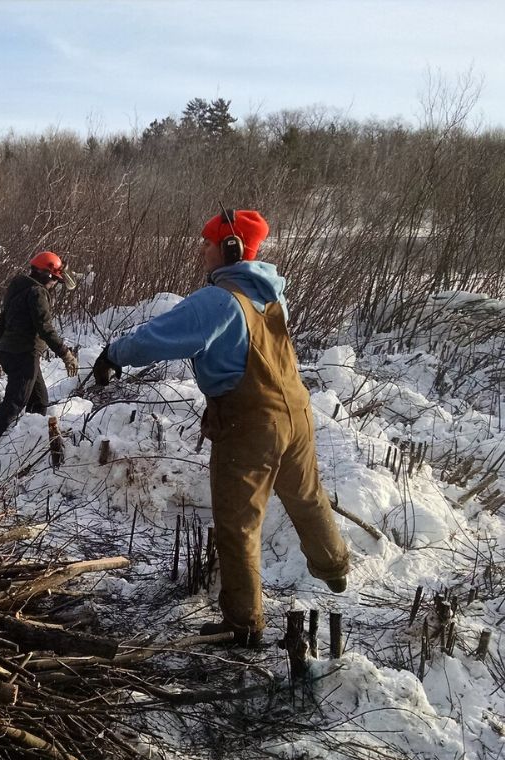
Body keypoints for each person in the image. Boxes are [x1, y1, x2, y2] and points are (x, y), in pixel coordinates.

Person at [92, 210, 350, 646]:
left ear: (229, 248)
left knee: (238, 523)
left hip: (251, 423)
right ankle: (334, 567)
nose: (201, 250)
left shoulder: (218, 301)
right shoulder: (271, 294)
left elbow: (159, 336)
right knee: (306, 496)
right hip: (297, 414)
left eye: (207, 243)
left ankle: (244, 624)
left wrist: (113, 355)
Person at [0, 251, 79, 461]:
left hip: (12, 350)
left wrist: (0, 350)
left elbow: (3, 321)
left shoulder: (18, 285)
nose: (55, 283)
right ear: (45, 274)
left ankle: (28, 446)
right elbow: (45, 327)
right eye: (54, 278)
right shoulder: (36, 292)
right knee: (14, 403)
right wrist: (65, 353)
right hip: (23, 352)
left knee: (39, 400)